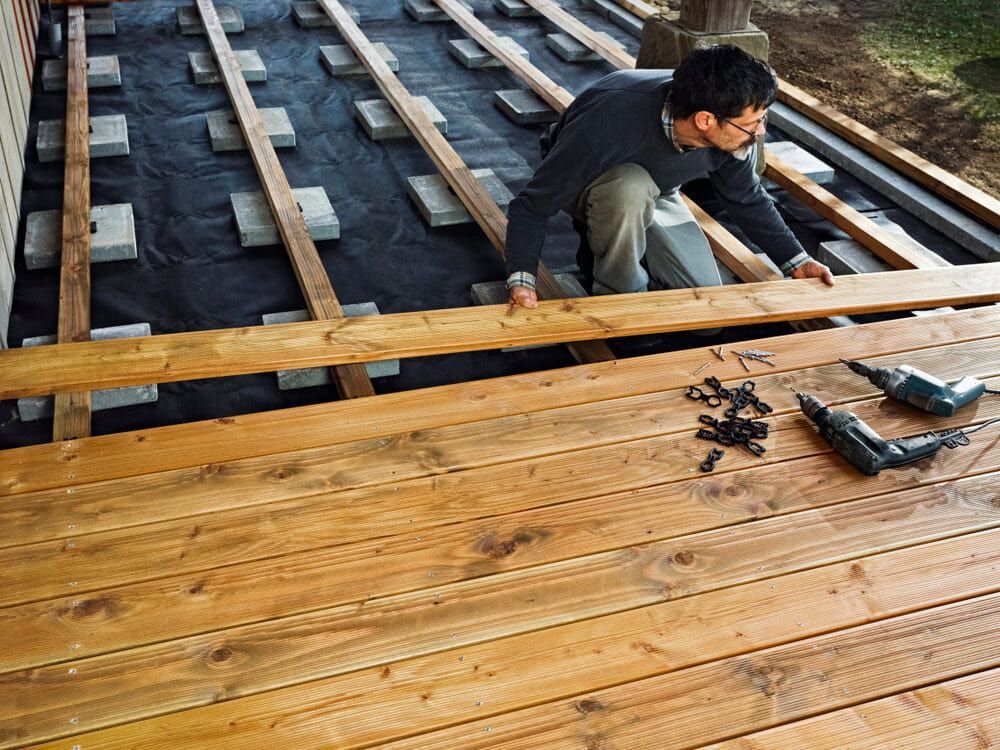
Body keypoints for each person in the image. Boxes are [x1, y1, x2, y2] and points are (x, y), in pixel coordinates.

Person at [504, 44, 834, 310]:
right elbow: (532, 207)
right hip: (591, 180)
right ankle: (619, 297)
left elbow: (746, 198)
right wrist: (521, 278)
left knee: (702, 304)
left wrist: (796, 261)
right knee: (629, 187)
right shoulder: (607, 124)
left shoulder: (731, 128)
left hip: (658, 187)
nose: (760, 132)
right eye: (753, 124)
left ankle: (624, 245)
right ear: (706, 120)